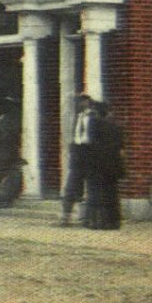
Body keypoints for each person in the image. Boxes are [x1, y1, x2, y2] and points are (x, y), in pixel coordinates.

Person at [85, 101, 125, 229]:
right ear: (108, 113)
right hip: (113, 166)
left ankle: (97, 222)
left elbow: (91, 144)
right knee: (112, 194)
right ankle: (113, 222)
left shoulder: (94, 125)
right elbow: (121, 148)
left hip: (98, 166)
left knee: (96, 194)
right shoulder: (116, 128)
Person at [60, 94, 94, 227]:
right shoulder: (78, 117)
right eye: (78, 102)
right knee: (71, 186)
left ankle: (87, 218)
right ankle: (66, 217)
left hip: (88, 152)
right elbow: (75, 136)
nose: (79, 104)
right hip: (77, 153)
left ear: (87, 102)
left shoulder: (93, 118)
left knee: (91, 187)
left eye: (82, 101)